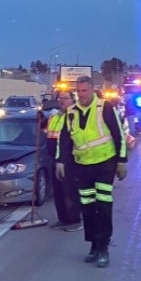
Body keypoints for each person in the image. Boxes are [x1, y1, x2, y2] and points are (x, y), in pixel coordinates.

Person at [56, 76, 127, 268]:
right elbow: (63, 139)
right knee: (87, 206)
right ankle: (94, 246)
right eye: (78, 91)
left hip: (105, 163)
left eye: (84, 91)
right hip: (83, 165)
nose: (81, 95)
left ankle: (104, 248)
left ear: (92, 90)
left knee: (103, 205)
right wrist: (60, 161)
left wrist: (121, 160)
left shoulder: (105, 107)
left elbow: (118, 134)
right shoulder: (71, 112)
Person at [47, 90, 82, 231]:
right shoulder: (54, 116)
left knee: (70, 190)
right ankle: (63, 218)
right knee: (58, 190)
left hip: (69, 158)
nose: (62, 101)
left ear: (72, 99)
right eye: (60, 98)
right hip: (53, 158)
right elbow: (48, 134)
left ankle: (74, 219)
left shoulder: (74, 115)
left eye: (65, 98)